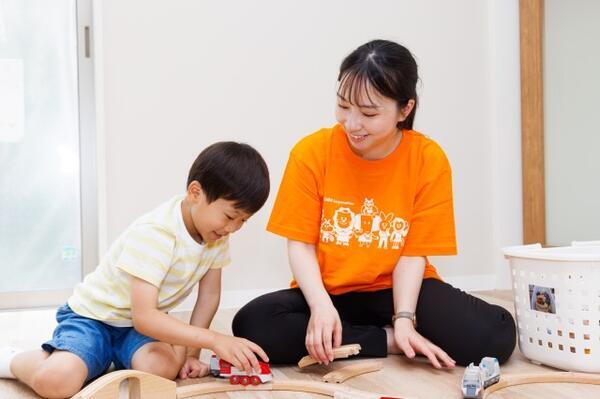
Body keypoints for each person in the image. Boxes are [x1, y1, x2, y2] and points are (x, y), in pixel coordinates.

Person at [232, 40, 516, 369]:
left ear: (404, 110)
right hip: (331, 292)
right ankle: (388, 341)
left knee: (496, 335)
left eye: (368, 113)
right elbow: (300, 244)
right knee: (253, 325)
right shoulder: (310, 153)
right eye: (343, 106)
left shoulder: (428, 159)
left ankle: (385, 332)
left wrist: (405, 317)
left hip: (399, 289)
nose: (352, 124)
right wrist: (321, 306)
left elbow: (412, 256)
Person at [0, 142, 270, 398]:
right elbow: (145, 317)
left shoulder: (216, 236)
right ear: (195, 193)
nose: (233, 229)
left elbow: (209, 296)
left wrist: (191, 355)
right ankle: (13, 359)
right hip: (93, 319)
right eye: (230, 216)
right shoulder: (157, 233)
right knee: (57, 382)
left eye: (243, 221)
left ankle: (103, 359)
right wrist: (214, 340)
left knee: (163, 371)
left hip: (135, 328)